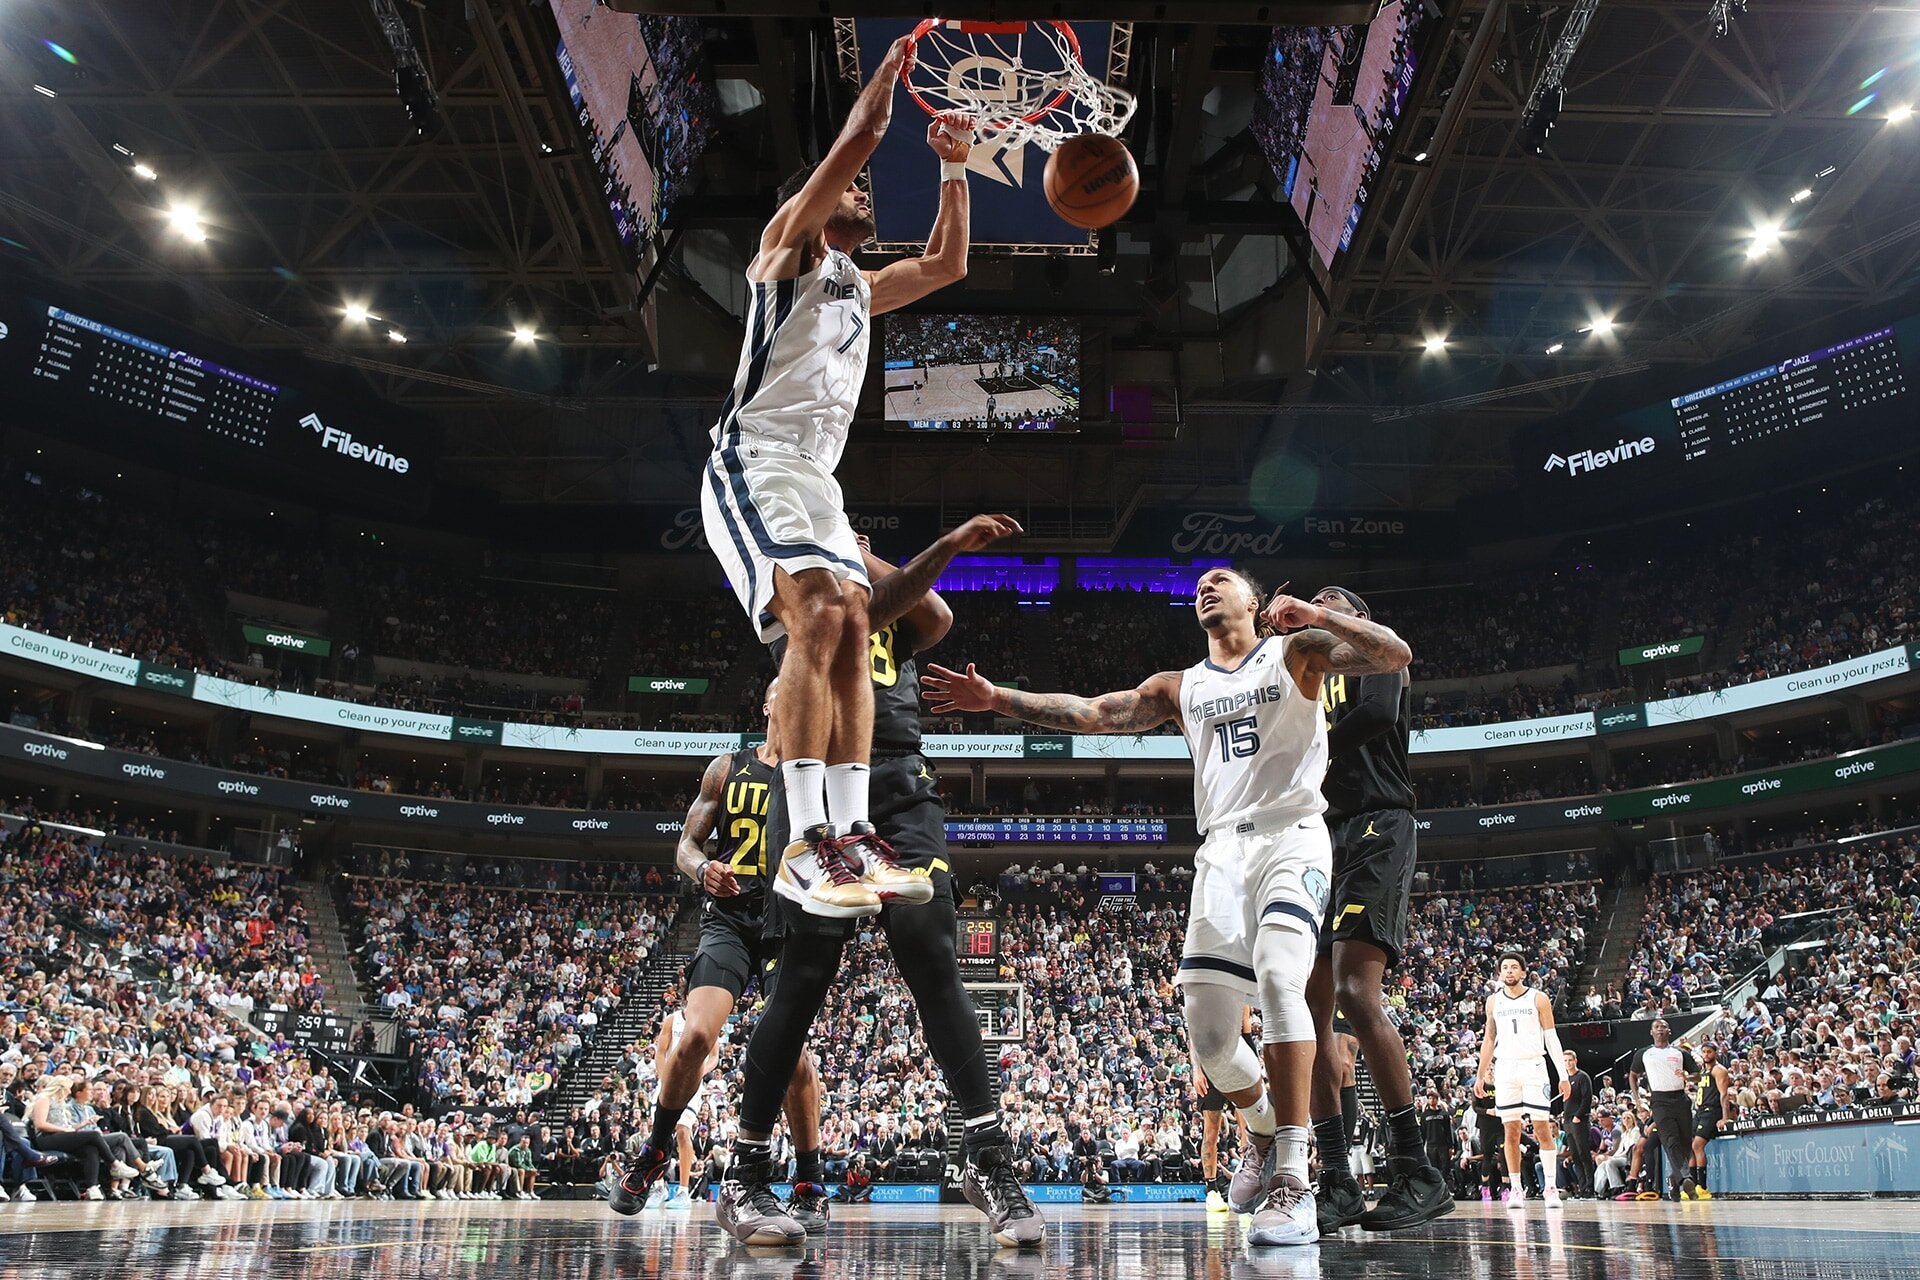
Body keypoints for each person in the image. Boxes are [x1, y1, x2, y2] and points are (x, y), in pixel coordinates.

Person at [927, 567, 1414, 1246]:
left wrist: (1314, 614)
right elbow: (1092, 713)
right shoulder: (1180, 687)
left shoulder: (1296, 652)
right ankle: (1265, 1124)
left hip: (1292, 838)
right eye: (1198, 588)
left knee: (1280, 979)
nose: (1205, 589)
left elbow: (1393, 654)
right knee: (1213, 1043)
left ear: (1254, 600)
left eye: (1222, 581)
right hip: (1218, 855)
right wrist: (996, 699)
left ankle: (1297, 1182)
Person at [698, 29, 978, 923]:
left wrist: (954, 169)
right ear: (811, 207)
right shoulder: (782, 254)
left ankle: (852, 835)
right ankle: (805, 844)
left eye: (861, 189)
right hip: (756, 461)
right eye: (847, 191)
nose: (860, 193)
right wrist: (887, 82)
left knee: (857, 620)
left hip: (817, 481)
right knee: (820, 612)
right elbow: (854, 141)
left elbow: (947, 265)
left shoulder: (860, 284)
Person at [714, 517, 1038, 1248]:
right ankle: (744, 1172)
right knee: (803, 975)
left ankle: (987, 1157)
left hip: (900, 782)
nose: (845, 539)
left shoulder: (884, 597)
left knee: (931, 948)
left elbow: (939, 615)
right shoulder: (794, 586)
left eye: (852, 530)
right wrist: (833, 558)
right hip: (812, 789)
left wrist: (864, 556)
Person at [610, 691, 826, 1232]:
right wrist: (701, 869)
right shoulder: (728, 768)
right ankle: (657, 1151)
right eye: (786, 690)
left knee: (793, 1056)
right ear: (768, 706)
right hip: (729, 918)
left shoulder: (815, 775)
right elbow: (685, 845)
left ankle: (809, 1178)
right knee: (695, 1039)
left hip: (786, 922)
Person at [1303, 587, 1451, 1233]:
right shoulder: (1305, 674)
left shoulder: (1376, 657)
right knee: (1303, 1013)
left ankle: (1416, 1169)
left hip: (1377, 824)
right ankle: (1335, 1179)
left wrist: (1303, 748)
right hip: (1315, 836)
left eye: (1333, 601)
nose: (1319, 603)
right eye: (1314, 599)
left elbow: (1376, 716)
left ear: (1356, 619)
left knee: (1356, 995)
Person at [1474, 952, 1566, 1210]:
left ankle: (1550, 1187)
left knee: (1542, 1128)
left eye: (1514, 967)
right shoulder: (1493, 1002)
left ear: (1523, 972)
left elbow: (1551, 1037)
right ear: (1499, 974)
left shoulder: (1539, 998)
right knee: (1510, 1131)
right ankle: (1515, 1189)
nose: (1510, 971)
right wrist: (1481, 1075)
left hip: (1534, 1065)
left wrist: (1563, 1074)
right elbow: (1489, 1040)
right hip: (1505, 1069)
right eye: (1505, 968)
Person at [1193, 1005, 1255, 1211]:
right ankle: (1211, 1189)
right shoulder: (1207, 987)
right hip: (1211, 1057)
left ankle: (1250, 1184)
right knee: (1210, 1132)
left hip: (1239, 1051)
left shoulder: (1240, 987)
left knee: (1247, 1128)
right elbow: (1194, 1033)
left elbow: (1245, 1027)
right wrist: (1196, 1069)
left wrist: (1253, 1061)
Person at [1636, 1019, 1702, 1200]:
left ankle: (1674, 1180)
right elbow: (1633, 1075)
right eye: (1656, 1027)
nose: (1660, 1029)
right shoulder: (1645, 1054)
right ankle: (1686, 1179)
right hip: (1659, 1100)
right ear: (1651, 1032)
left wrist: (1688, 1077)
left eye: (1663, 1026)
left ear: (1669, 1031)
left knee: (1685, 1145)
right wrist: (1637, 1101)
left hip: (1680, 1098)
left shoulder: (1680, 1053)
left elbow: (1697, 1075)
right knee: (1670, 1141)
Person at [1690, 1043, 1731, 1198]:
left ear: (1715, 1053)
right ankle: (1692, 1187)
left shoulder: (1719, 1070)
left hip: (1711, 1111)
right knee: (1690, 1146)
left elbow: (1724, 1094)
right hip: (1699, 1111)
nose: (1706, 1054)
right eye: (1704, 1052)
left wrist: (1724, 1117)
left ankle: (1703, 1186)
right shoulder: (1703, 1071)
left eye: (1709, 1051)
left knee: (1697, 1145)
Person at [1560, 1051, 1595, 1198]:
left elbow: (1587, 1099)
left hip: (1579, 1120)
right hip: (1567, 1121)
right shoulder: (1565, 1079)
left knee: (1583, 1154)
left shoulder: (1582, 1077)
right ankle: (1582, 1186)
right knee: (1575, 1155)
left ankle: (1590, 1187)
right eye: (1565, 1061)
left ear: (1575, 1061)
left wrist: (1578, 1115)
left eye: (1570, 1060)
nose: (1568, 1063)